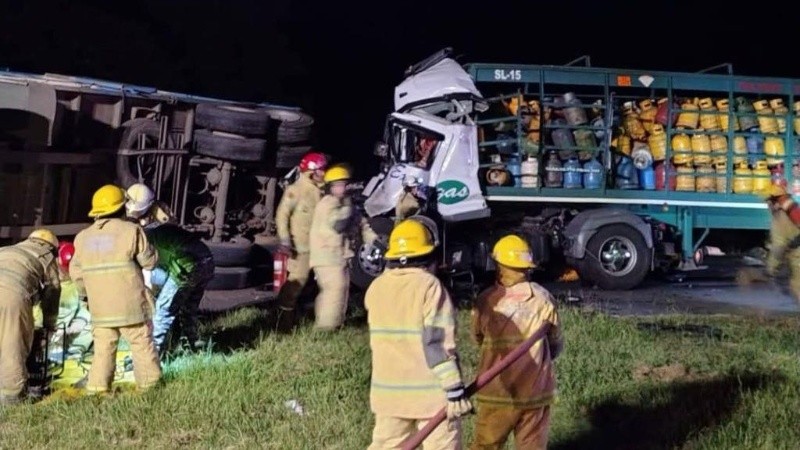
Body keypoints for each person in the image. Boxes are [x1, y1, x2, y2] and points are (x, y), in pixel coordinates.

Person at [365, 218, 472, 449]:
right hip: (430, 396)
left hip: (388, 395)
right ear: (428, 256)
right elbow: (437, 343)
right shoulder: (430, 287)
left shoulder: (376, 288)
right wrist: (454, 389)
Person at [470, 235, 564, 450]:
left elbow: (477, 337)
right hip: (535, 393)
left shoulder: (486, 301)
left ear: (498, 266)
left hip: (496, 392)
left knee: (486, 446)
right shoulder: (543, 299)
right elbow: (555, 343)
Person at [70, 184, 161, 394]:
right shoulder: (132, 231)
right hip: (131, 307)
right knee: (141, 343)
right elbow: (150, 262)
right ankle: (150, 389)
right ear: (122, 208)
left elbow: (77, 275)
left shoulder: (82, 238)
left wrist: (87, 299)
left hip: (100, 309)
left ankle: (97, 390)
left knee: (103, 350)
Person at [125, 183, 214, 354]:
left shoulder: (142, 233)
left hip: (186, 264)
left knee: (164, 310)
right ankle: (193, 344)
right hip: (205, 259)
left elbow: (147, 265)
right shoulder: (160, 217)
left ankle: (154, 354)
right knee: (188, 308)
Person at [309, 164, 380, 331]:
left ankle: (330, 322)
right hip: (327, 257)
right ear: (330, 187)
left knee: (337, 290)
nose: (343, 188)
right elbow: (338, 224)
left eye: (344, 184)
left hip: (339, 256)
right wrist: (349, 204)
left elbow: (360, 224)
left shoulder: (344, 204)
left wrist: (374, 241)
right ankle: (327, 328)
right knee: (335, 289)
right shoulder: (327, 204)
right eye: (338, 185)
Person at [0, 229, 61, 405]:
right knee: (13, 344)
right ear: (52, 248)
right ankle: (11, 398)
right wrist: (49, 323)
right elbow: (52, 292)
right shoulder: (45, 256)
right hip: (11, 295)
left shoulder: (8, 249)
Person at [274, 152, 328, 331]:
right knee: (296, 282)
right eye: (321, 169)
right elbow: (282, 215)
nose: (324, 172)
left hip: (318, 247)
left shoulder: (320, 190)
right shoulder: (296, 190)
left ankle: (302, 317)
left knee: (312, 284)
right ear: (311, 171)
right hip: (301, 248)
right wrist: (284, 239)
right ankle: (283, 323)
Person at [762, 184, 800, 301]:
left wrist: (770, 269)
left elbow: (778, 247)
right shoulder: (793, 210)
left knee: (796, 286)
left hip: (797, 258)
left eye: (768, 202)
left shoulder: (779, 218)